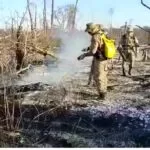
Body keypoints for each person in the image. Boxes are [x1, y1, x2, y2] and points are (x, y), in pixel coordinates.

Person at [77, 23, 108, 100]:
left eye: (89, 31)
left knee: (98, 77)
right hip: (104, 58)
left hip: (100, 60)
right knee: (103, 76)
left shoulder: (95, 37)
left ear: (92, 30)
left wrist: (84, 55)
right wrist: (88, 48)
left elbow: (93, 52)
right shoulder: (101, 33)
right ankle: (103, 91)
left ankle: (102, 95)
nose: (88, 33)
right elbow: (98, 46)